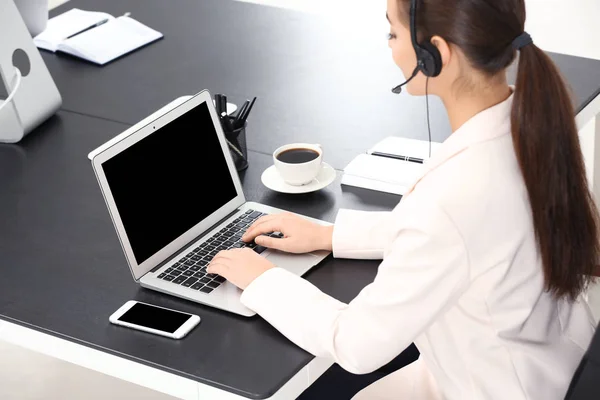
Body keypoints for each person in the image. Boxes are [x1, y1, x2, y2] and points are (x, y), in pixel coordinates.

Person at [207, 0, 600, 398]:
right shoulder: (526, 123)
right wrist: (331, 235)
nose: (390, 48)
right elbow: (465, 237)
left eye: (393, 34)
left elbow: (357, 344)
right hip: (551, 366)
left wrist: (263, 280)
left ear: (436, 55)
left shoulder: (452, 197)